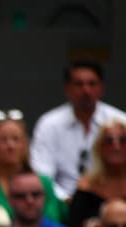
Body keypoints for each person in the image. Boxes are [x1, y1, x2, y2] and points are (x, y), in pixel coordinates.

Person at [30, 61, 126, 202]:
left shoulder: (121, 121)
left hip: (114, 200)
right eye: (79, 84)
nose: (86, 90)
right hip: (62, 203)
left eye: (92, 84)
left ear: (101, 88)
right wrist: (66, 199)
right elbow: (42, 174)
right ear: (67, 89)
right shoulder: (49, 124)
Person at [66, 120, 126, 227]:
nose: (116, 146)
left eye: (123, 140)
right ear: (100, 148)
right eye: (109, 141)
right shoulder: (86, 186)